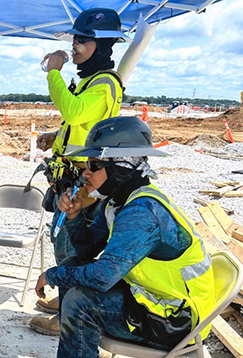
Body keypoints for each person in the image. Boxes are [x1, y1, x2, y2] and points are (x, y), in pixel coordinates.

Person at [35, 116, 215, 358]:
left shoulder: (141, 213)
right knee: (72, 267)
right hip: (155, 301)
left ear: (120, 168)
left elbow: (101, 278)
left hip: (176, 320)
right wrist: (75, 216)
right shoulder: (117, 203)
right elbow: (86, 252)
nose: (85, 173)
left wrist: (52, 275)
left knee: (80, 302)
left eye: (94, 165)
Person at [30, 7, 128, 334]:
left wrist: (53, 73)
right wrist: (56, 137)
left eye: (82, 41)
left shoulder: (104, 84)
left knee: (73, 248)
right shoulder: (90, 82)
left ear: (100, 46)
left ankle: (67, 317)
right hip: (69, 178)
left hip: (84, 182)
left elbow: (73, 112)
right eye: (75, 40)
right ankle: (64, 300)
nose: (74, 46)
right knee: (62, 243)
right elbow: (83, 126)